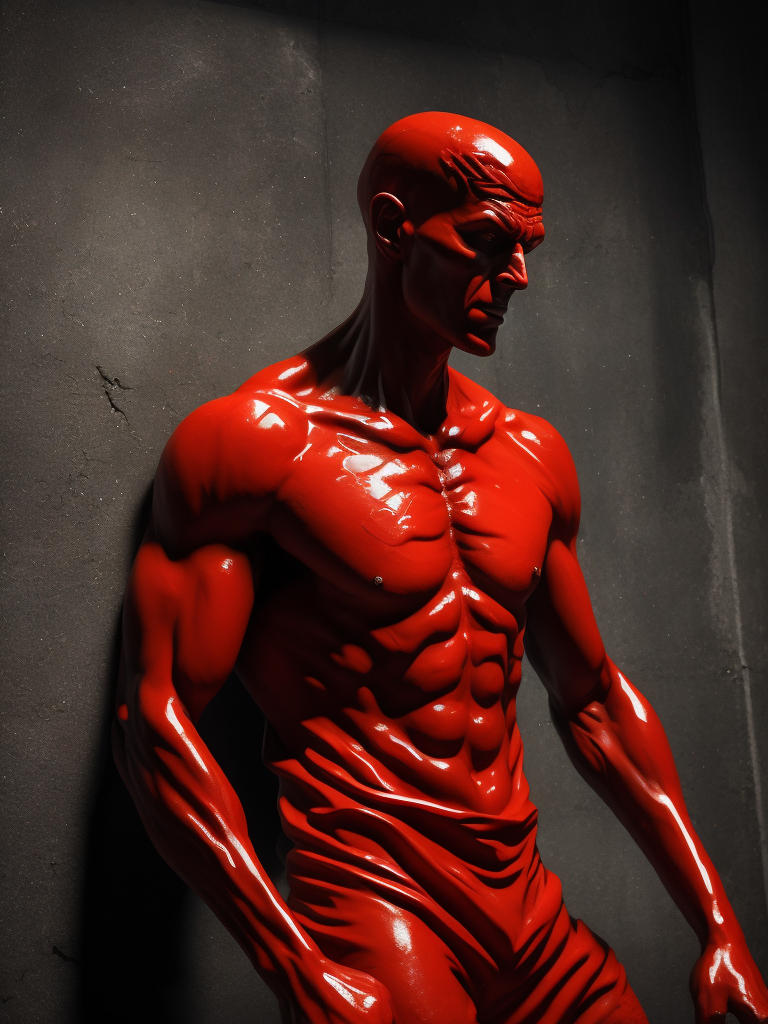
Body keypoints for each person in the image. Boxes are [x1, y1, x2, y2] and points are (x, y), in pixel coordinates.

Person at [113, 112, 768, 1023]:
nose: (517, 279)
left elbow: (594, 702)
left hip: (530, 910)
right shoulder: (259, 446)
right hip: (376, 907)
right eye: (490, 243)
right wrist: (296, 969)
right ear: (393, 228)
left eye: (528, 249)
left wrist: (719, 924)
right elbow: (155, 720)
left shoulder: (531, 455)